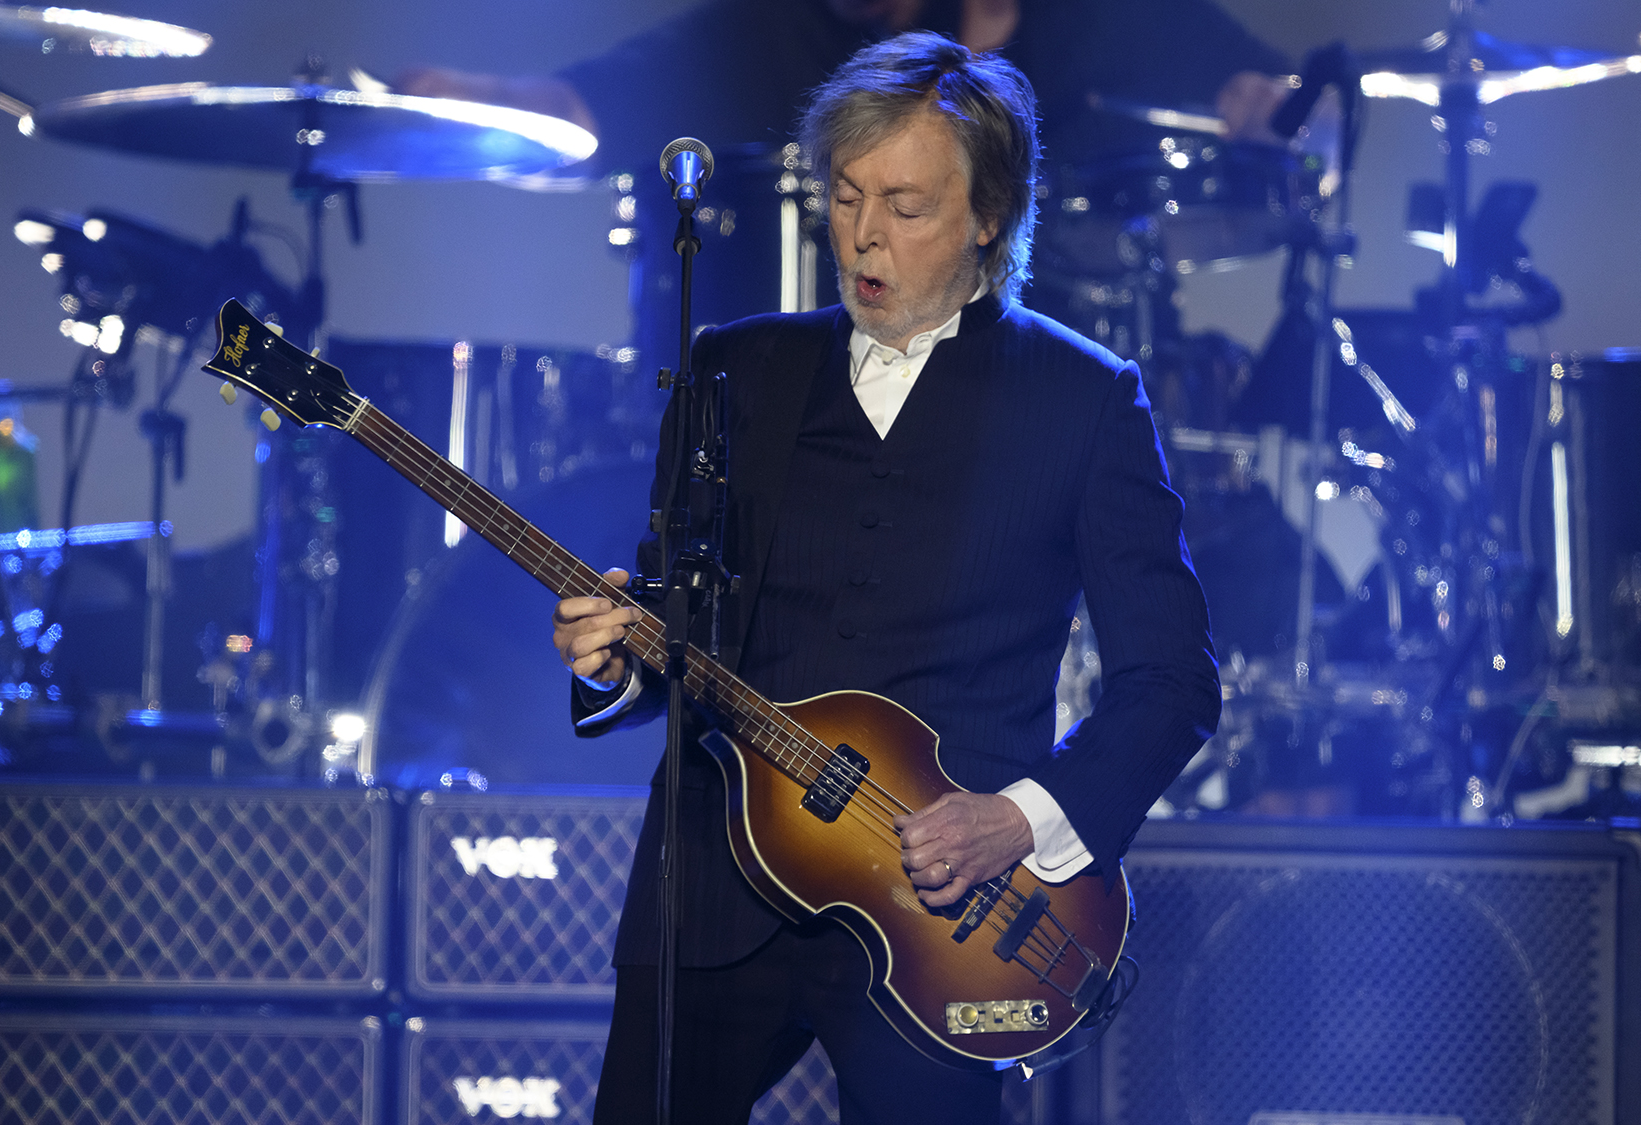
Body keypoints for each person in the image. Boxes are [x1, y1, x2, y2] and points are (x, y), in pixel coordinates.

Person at [551, 32, 1219, 1125]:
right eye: (848, 195)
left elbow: (1171, 684)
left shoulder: (1082, 398)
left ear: (988, 215)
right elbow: (679, 641)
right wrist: (610, 665)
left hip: (945, 912)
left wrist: (1013, 821)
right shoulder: (735, 368)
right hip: (716, 895)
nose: (862, 235)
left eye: (905, 207)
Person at [399, 0, 1289, 172]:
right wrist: (459, 94)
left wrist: (1292, 112)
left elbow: (1304, 107)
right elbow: (586, 105)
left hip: (1065, 400)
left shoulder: (1120, 17)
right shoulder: (774, 27)